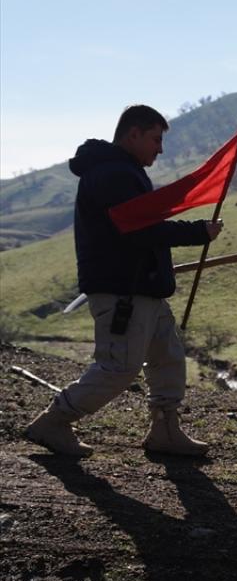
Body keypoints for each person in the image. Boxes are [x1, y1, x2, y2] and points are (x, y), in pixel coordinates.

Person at [25, 105, 223, 458]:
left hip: (141, 289)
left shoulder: (123, 172)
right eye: (155, 139)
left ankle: (165, 430)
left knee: (167, 357)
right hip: (123, 291)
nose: (160, 149)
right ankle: (53, 421)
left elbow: (140, 226)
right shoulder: (113, 174)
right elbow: (138, 230)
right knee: (118, 368)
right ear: (133, 134)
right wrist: (197, 232)